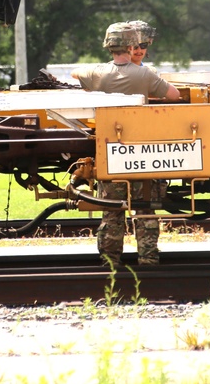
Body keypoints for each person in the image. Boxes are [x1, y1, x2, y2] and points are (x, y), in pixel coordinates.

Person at [72, 22, 179, 266]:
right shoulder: (144, 74)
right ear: (131, 47)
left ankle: (110, 261)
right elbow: (173, 95)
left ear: (109, 46)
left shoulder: (96, 73)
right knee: (145, 208)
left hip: (111, 154)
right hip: (143, 153)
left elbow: (74, 73)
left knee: (111, 211)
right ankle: (148, 259)